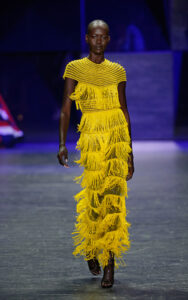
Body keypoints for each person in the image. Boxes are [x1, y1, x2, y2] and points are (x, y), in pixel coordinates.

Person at [57, 19, 134, 288]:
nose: (99, 41)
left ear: (108, 39)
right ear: (87, 38)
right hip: (90, 139)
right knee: (93, 197)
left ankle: (109, 266)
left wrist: (129, 153)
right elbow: (66, 109)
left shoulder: (118, 71)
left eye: (103, 37)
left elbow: (124, 110)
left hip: (115, 139)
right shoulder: (75, 68)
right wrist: (62, 143)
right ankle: (91, 248)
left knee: (113, 203)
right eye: (94, 36)